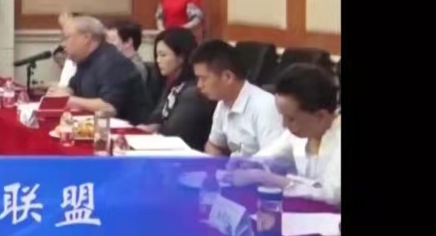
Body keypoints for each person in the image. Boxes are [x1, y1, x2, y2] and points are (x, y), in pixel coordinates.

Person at [228, 64, 341, 205]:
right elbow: (269, 157)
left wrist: (267, 178)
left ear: (320, 116)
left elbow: (332, 194)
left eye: (291, 119)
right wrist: (249, 164)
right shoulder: (299, 133)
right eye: (282, 116)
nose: (284, 124)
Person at [47, 15, 151, 124]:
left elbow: (108, 106)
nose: (63, 44)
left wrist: (67, 100)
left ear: (86, 38)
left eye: (67, 37)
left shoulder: (112, 62)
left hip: (130, 130)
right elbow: (73, 89)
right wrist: (61, 92)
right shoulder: (85, 59)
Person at [190, 40, 286, 158]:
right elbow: (213, 145)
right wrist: (219, 165)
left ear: (228, 77)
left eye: (204, 79)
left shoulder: (266, 107)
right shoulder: (223, 102)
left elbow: (274, 161)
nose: (199, 85)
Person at [139, 27, 216, 150]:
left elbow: (173, 133)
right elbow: (156, 117)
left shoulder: (193, 92)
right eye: (157, 55)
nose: (158, 60)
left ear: (181, 57)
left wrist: (155, 130)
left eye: (163, 55)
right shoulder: (172, 83)